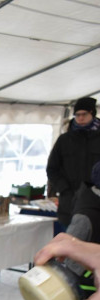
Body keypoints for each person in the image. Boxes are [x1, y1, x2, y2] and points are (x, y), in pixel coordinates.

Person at [43, 162, 100, 300]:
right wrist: (71, 287)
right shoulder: (87, 215)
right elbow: (68, 253)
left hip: (94, 282)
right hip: (84, 283)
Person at [46, 96, 100, 228]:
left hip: (96, 201)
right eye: (77, 115)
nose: (80, 118)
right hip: (69, 203)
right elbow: (52, 168)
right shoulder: (64, 140)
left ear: (92, 113)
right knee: (69, 238)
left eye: (84, 114)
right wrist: (64, 189)